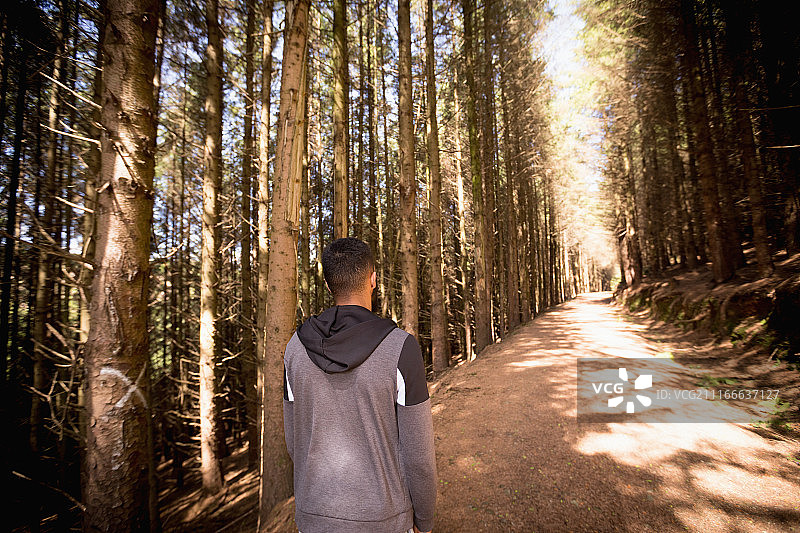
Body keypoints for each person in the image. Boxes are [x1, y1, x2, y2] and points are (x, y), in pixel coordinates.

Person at [283, 237, 436, 533]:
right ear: (373, 279)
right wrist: (424, 520)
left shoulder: (294, 348)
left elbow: (294, 440)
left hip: (313, 518)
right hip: (384, 520)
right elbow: (419, 454)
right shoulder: (400, 348)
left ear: (328, 285)